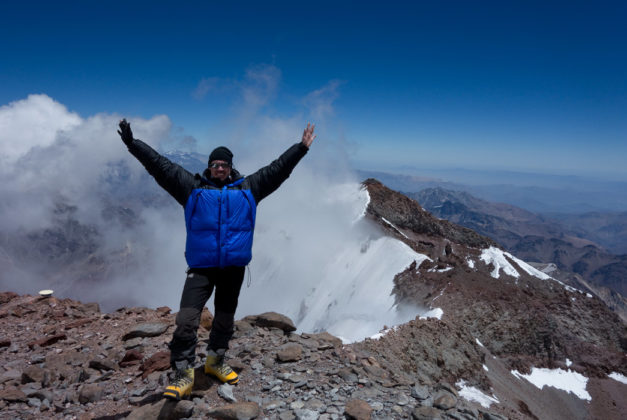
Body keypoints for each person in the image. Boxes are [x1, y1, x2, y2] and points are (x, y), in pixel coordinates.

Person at [117, 119, 315, 400]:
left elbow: (278, 169)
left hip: (233, 268)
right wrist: (133, 144)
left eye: (223, 164)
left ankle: (214, 362)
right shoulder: (192, 189)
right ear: (209, 167)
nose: (219, 168)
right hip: (201, 267)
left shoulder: (249, 188)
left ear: (230, 166)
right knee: (186, 319)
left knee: (224, 319)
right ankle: (183, 373)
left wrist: (301, 148)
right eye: (214, 164)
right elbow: (160, 166)